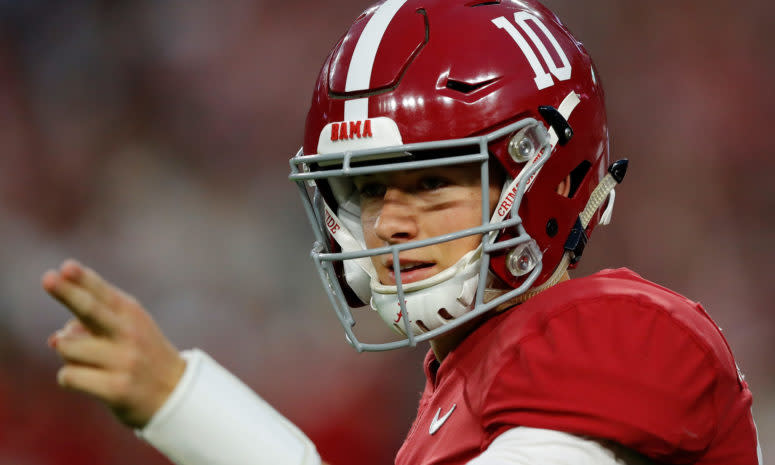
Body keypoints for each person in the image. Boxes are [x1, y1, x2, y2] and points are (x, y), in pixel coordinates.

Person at [42, 0, 762, 464]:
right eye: (362, 188)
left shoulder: (614, 334)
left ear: (545, 175)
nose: (387, 221)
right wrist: (177, 397)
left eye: (429, 182)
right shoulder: (466, 376)